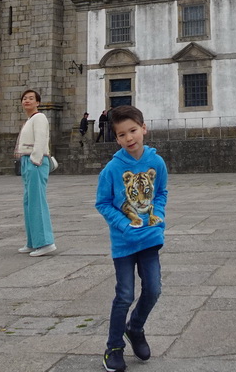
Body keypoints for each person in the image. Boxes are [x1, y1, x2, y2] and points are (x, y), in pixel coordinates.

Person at [95, 105, 168, 372]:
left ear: (144, 128)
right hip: (124, 242)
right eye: (122, 134)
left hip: (149, 238)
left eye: (133, 131)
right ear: (116, 138)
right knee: (124, 294)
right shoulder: (112, 169)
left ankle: (134, 327)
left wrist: (156, 216)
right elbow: (102, 203)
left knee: (154, 289)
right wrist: (124, 224)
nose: (129, 138)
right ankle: (113, 346)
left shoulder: (156, 162)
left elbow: (161, 193)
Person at [14, 89, 56, 257]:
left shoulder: (39, 117)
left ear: (38, 102)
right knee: (29, 202)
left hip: (36, 161)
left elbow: (41, 139)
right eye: (24, 98)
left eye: (31, 98)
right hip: (28, 161)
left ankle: (46, 242)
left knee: (36, 201)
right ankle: (33, 241)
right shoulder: (30, 119)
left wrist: (35, 159)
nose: (27, 101)